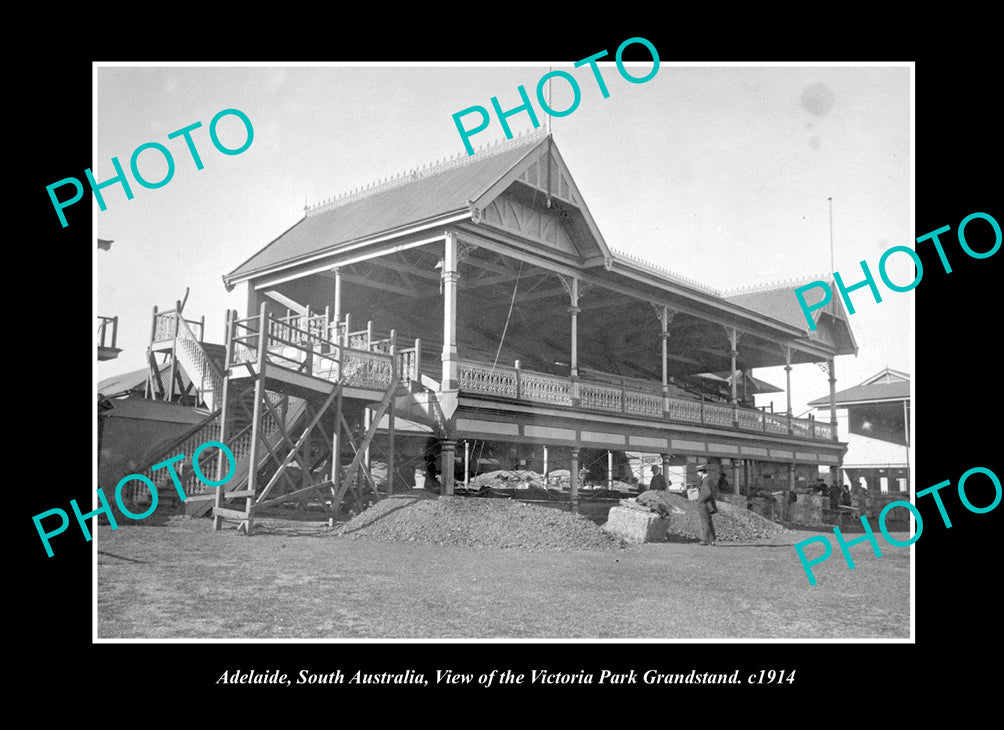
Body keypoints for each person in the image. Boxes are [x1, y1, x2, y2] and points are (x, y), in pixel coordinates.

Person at [696, 464, 718, 546]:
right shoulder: (709, 480)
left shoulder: (705, 481)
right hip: (708, 504)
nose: (697, 474)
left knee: (705, 522)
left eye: (698, 472)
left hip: (704, 505)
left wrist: (700, 500)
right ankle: (712, 540)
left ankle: (705, 540)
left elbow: (708, 493)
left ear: (701, 472)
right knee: (708, 521)